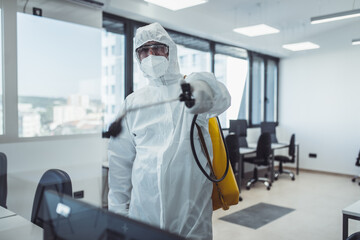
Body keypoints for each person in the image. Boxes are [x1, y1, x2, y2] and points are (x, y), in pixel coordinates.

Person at [108, 22, 231, 240]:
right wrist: (119, 215)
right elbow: (120, 165)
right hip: (143, 215)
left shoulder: (190, 88)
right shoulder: (133, 102)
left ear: (170, 51)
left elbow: (221, 98)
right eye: (144, 50)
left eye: (158, 47)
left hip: (191, 219)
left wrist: (203, 90)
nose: (151, 55)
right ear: (138, 57)